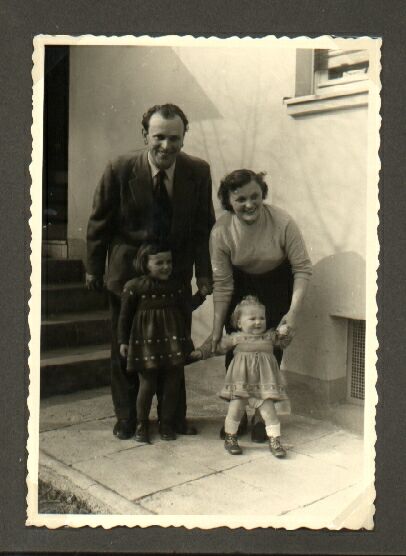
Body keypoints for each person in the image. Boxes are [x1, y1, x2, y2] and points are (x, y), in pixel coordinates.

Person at [86, 104, 215, 440]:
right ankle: (128, 418)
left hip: (174, 278)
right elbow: (99, 222)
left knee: (175, 349)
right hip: (127, 276)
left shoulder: (198, 171)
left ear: (184, 138)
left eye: (174, 138)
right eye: (159, 137)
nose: (166, 146)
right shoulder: (119, 168)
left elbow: (203, 227)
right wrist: (94, 269)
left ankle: (172, 419)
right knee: (125, 349)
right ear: (145, 135)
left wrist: (203, 273)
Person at [209, 169, 312, 442]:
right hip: (240, 283)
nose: (249, 204)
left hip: (276, 282)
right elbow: (222, 284)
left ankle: (261, 416)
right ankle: (238, 411)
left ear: (262, 194)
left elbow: (302, 268)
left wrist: (292, 313)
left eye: (255, 196)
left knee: (271, 348)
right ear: (228, 201)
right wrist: (216, 329)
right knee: (237, 347)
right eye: (240, 199)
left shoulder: (282, 221)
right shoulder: (221, 231)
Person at [118, 242, 203, 443]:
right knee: (147, 384)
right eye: (159, 263)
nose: (166, 267)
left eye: (169, 262)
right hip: (146, 344)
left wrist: (201, 295)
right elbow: (124, 317)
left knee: (172, 384)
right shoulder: (134, 287)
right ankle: (141, 424)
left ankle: (166, 424)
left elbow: (187, 307)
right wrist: (123, 341)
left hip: (172, 342)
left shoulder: (176, 286)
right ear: (145, 263)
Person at [193, 296, 290, 457]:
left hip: (263, 387)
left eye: (262, 318)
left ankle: (275, 440)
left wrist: (284, 332)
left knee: (269, 413)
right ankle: (231, 437)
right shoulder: (236, 338)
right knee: (235, 411)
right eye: (252, 318)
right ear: (239, 323)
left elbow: (283, 342)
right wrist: (201, 352)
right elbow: (216, 347)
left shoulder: (269, 337)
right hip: (240, 385)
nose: (258, 322)